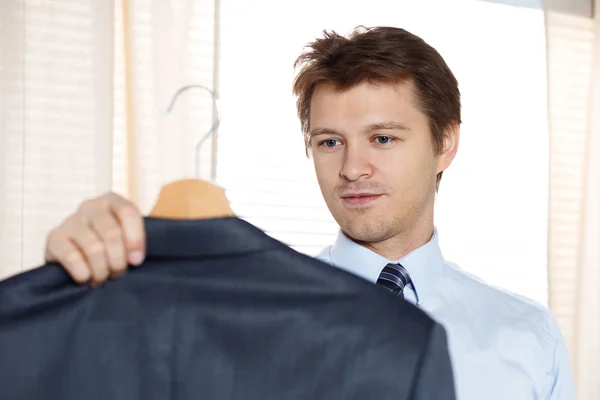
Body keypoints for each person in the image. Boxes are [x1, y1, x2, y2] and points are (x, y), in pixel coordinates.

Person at [43, 26, 576, 399]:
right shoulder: (238, 316)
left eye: (383, 138)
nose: (352, 168)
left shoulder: (528, 337)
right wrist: (79, 281)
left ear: (445, 143)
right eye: (328, 142)